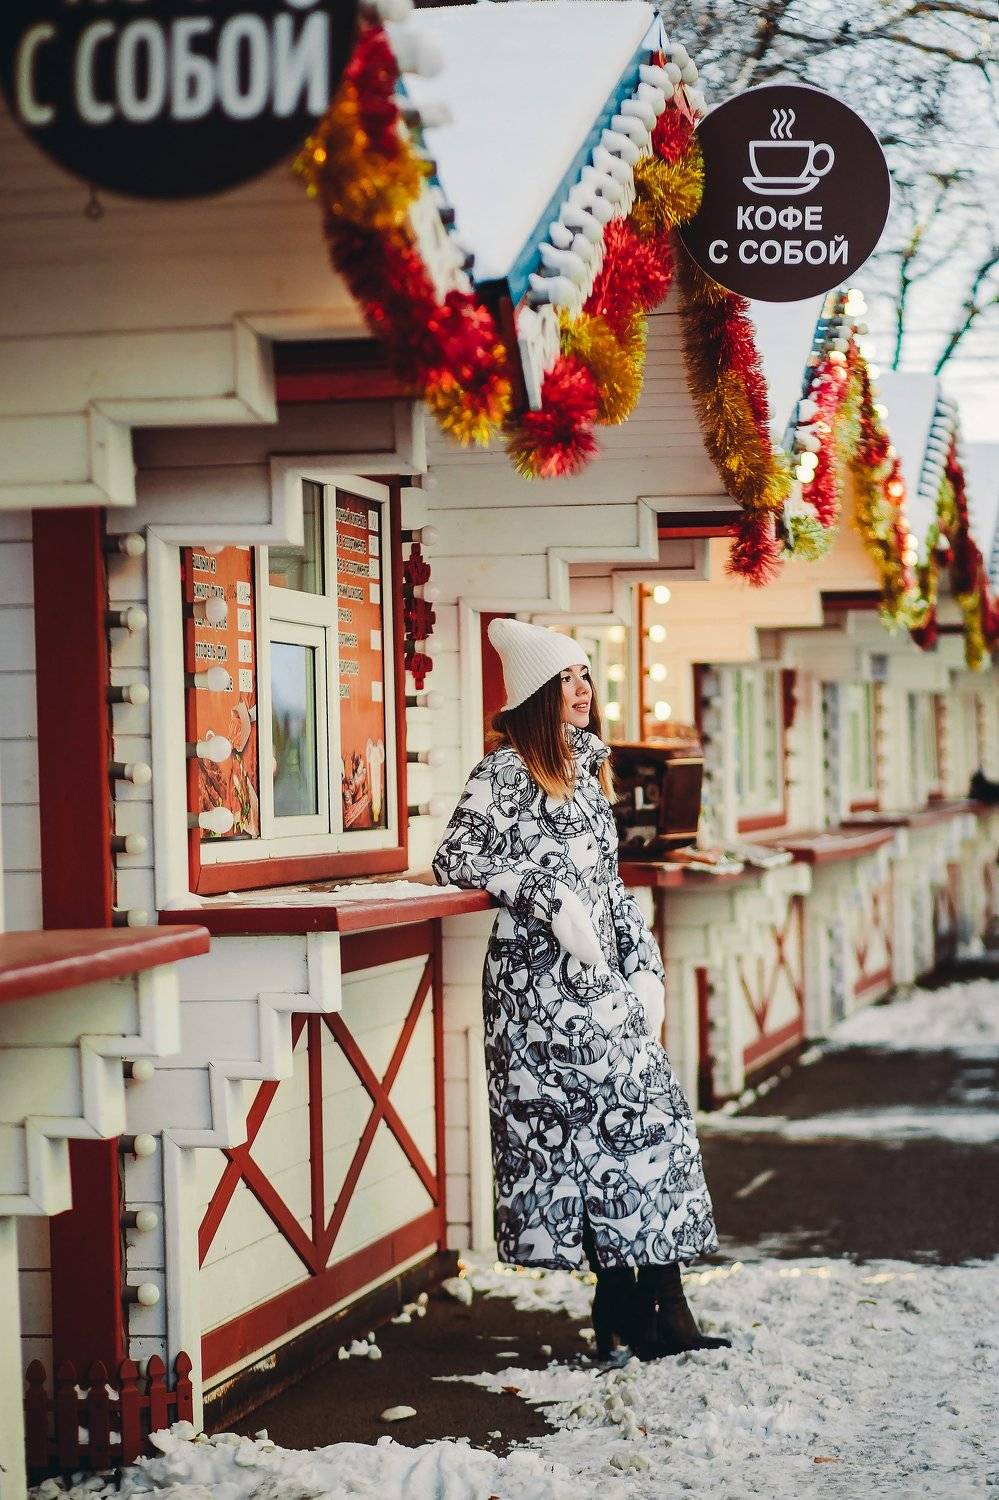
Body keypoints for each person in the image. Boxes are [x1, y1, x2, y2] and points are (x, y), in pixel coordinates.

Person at [432, 618, 730, 1361]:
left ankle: (650, 1304)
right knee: (592, 1143)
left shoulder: (589, 773)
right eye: (566, 678)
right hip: (536, 996)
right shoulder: (505, 773)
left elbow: (609, 886)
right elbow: (454, 857)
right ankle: (633, 1305)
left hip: (600, 988)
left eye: (585, 676)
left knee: (650, 1129)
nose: (582, 690)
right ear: (536, 693)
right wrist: (544, 896)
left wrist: (644, 965)